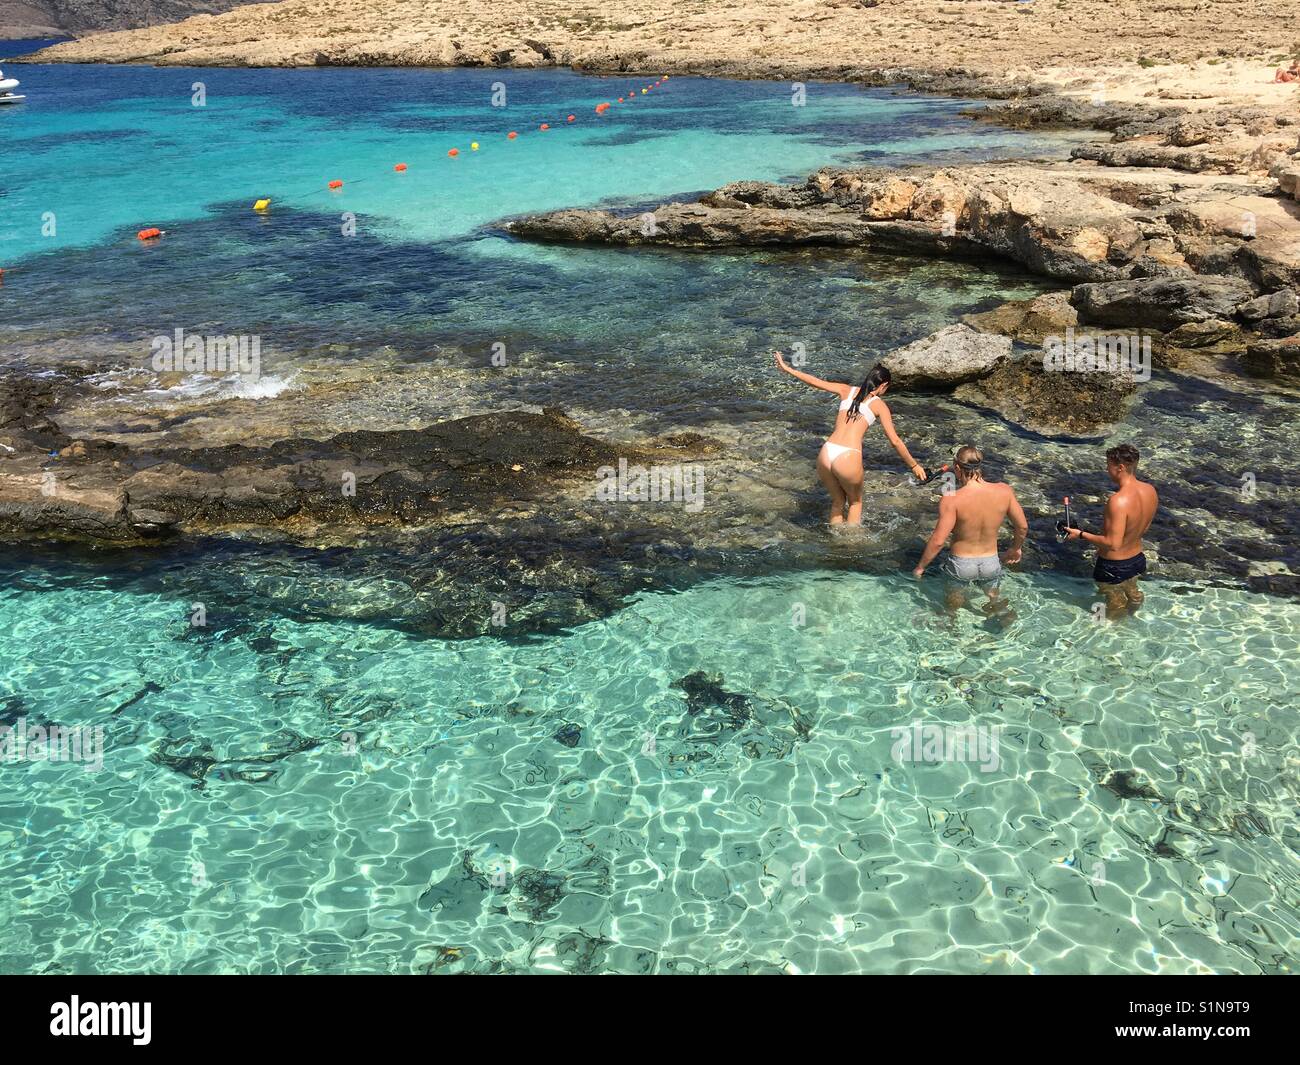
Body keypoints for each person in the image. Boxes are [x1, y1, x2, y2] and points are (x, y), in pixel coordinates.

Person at [773, 353, 927, 525]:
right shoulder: (879, 405)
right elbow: (895, 441)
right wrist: (914, 465)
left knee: (838, 502)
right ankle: (850, 548)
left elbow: (814, 381)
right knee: (855, 503)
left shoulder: (846, 390)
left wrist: (787, 368)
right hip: (848, 455)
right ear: (883, 385)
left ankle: (835, 542)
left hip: (827, 452)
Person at [912, 445, 1027, 618]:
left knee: (952, 605)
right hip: (991, 562)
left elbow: (938, 540)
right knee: (994, 598)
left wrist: (920, 567)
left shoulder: (951, 499)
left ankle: (951, 630)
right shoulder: (1004, 490)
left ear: (957, 468)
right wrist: (1015, 548)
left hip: (961, 564)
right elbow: (1022, 527)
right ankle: (1005, 622)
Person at [1064, 442, 1158, 617]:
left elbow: (1113, 544)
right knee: (1133, 592)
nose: (1107, 470)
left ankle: (1103, 633)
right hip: (1137, 559)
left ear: (1120, 467)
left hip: (1113, 566)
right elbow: (1144, 527)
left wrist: (1081, 534)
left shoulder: (1118, 501)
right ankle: (1132, 616)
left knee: (1109, 601)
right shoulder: (1150, 490)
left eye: (1109, 466)